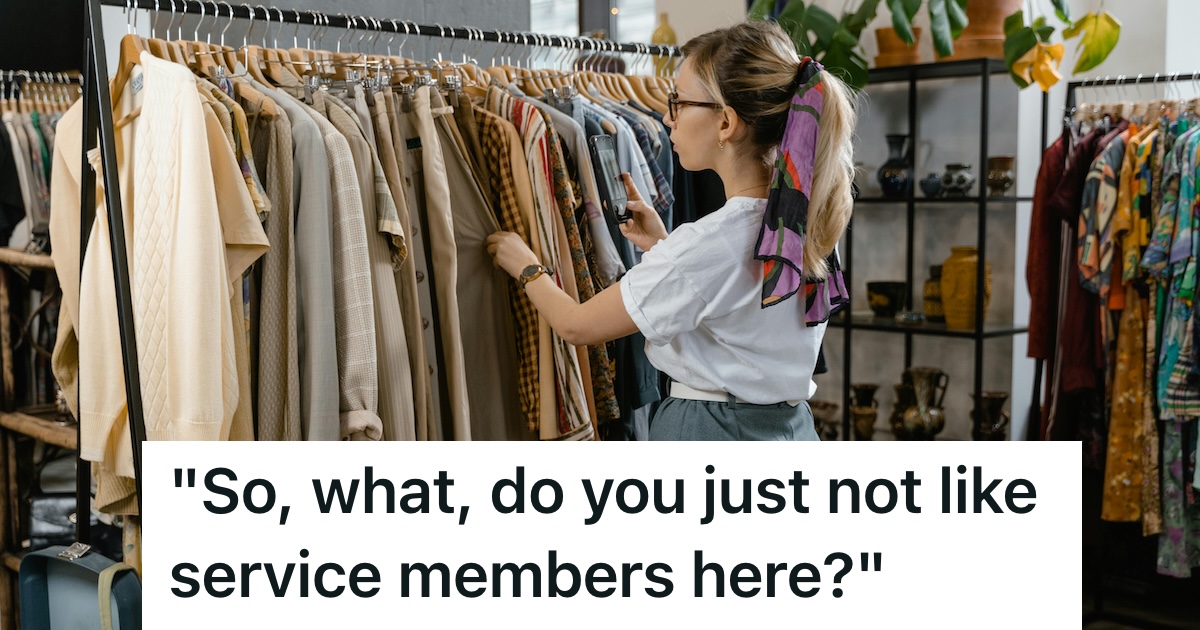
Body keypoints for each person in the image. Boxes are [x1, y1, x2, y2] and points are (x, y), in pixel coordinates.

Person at [485, 20, 855, 440]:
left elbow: (577, 326)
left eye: (678, 102)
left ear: (726, 122)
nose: (666, 117)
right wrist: (664, 245)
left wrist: (526, 266)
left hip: (712, 430)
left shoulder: (711, 243)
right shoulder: (802, 220)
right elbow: (736, 314)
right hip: (790, 429)